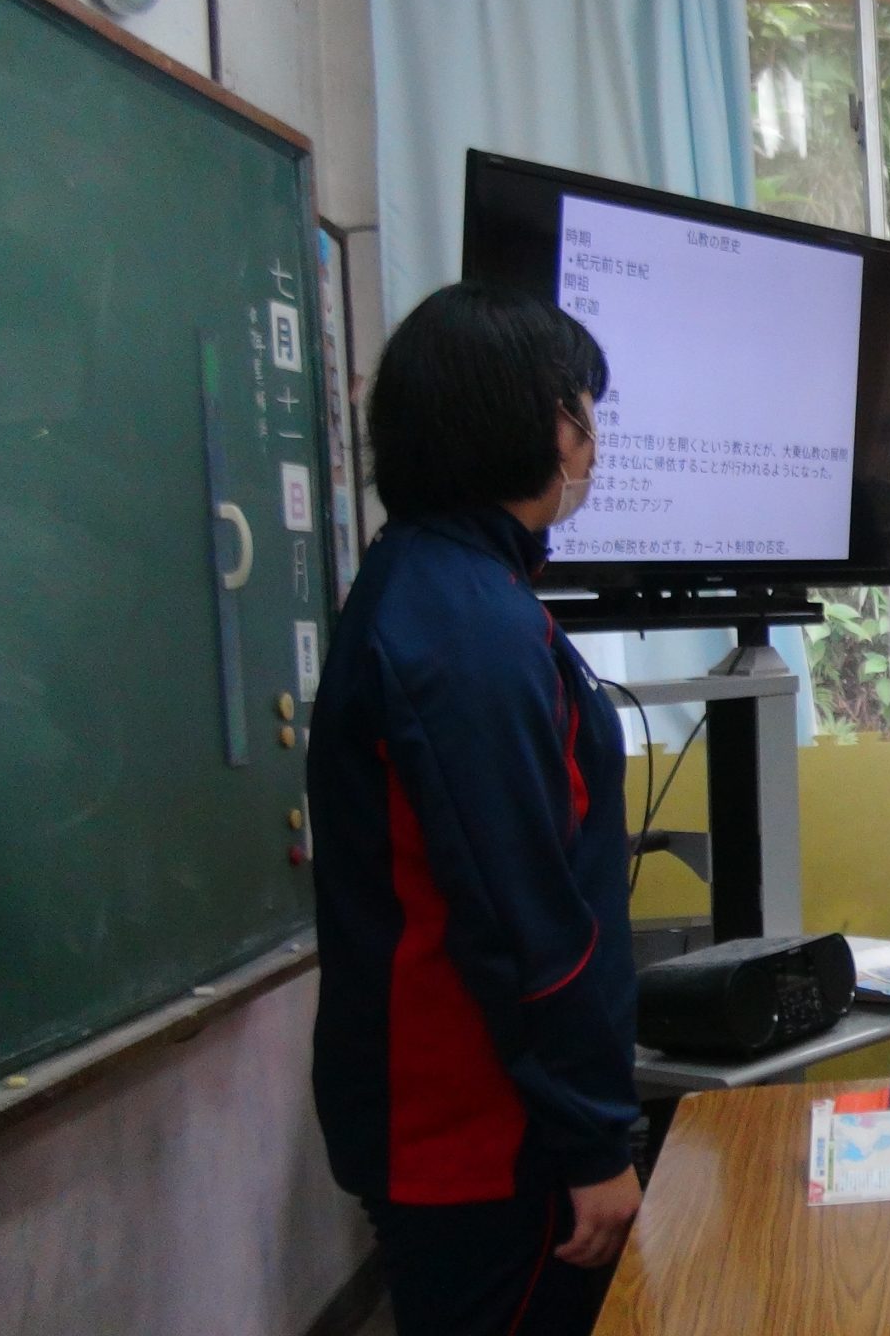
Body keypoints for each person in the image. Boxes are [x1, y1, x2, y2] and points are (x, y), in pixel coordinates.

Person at [308, 283, 640, 1336]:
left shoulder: (442, 587)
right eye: (581, 408)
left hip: (475, 1124)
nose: (590, 438)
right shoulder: (464, 626)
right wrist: (592, 1141)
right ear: (535, 421)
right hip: (485, 1134)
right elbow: (520, 913)